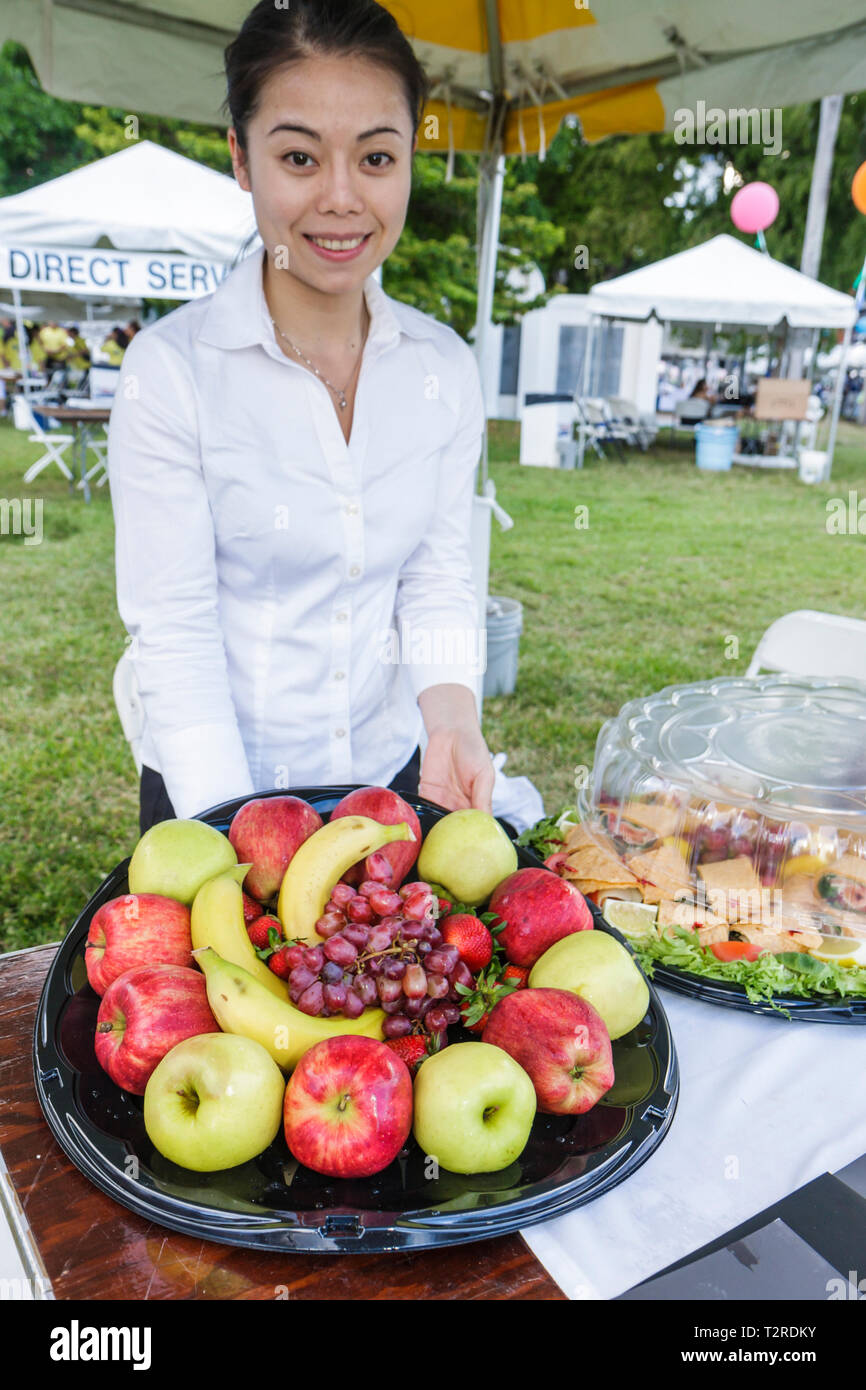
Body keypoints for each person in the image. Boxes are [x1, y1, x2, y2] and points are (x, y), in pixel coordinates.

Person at [109, 0, 496, 835]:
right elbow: (175, 633)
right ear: (242, 160)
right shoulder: (172, 373)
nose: (342, 198)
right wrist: (235, 829)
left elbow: (435, 574)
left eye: (377, 157)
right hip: (211, 782)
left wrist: (453, 722)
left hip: (389, 775)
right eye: (298, 156)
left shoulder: (443, 369)